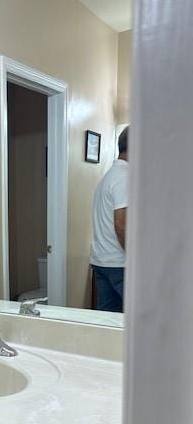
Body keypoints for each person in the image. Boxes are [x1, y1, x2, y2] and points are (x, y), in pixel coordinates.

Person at [91, 126, 129, 312]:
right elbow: (121, 225)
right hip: (120, 263)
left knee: (106, 318)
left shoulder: (108, 177)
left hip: (101, 260)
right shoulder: (125, 178)